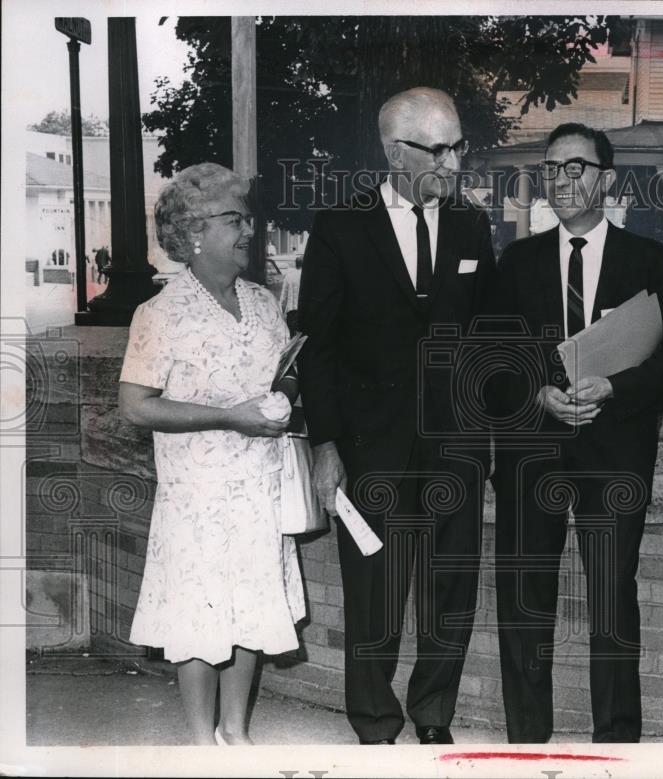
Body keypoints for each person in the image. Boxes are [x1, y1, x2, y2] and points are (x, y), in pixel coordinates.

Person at [297, 87, 496, 745]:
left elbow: (488, 334)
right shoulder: (341, 225)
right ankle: (376, 722)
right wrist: (325, 443)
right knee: (373, 589)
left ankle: (433, 714)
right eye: (438, 149)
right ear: (392, 150)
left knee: (451, 587)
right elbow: (318, 346)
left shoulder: (472, 224)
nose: (454, 161)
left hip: (457, 446)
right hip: (368, 444)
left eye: (458, 145)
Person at [490, 123, 663, 743]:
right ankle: (527, 738)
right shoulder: (518, 260)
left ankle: (617, 741)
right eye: (551, 168)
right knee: (525, 600)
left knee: (612, 599)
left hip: (615, 454)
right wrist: (539, 395)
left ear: (607, 178)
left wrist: (613, 387)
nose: (560, 179)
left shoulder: (647, 259)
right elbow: (493, 362)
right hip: (533, 456)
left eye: (575, 167)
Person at [118, 162, 306, 746]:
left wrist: (285, 395)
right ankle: (202, 741)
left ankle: (236, 733)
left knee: (250, 607)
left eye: (247, 218)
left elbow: (279, 381)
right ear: (194, 232)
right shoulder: (160, 313)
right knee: (198, 617)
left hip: (259, 486)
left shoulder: (263, 302)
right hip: (197, 495)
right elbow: (136, 406)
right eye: (234, 220)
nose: (248, 230)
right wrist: (230, 416)